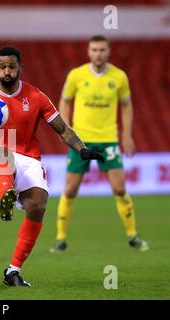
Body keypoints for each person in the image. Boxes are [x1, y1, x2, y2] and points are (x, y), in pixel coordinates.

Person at [0, 46, 104, 287]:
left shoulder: (36, 97)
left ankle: (13, 271)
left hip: (30, 158)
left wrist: (82, 149)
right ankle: (5, 194)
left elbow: (63, 129)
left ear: (20, 68)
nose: (7, 71)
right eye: (3, 67)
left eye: (12, 66)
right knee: (4, 154)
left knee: (38, 205)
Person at [50, 35, 148, 253]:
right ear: (88, 51)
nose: (98, 54)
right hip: (81, 142)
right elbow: (64, 101)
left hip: (108, 139)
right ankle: (60, 237)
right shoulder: (76, 75)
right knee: (70, 189)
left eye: (102, 50)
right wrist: (66, 130)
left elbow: (127, 105)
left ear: (108, 51)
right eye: (94, 49)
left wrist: (127, 135)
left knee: (119, 188)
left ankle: (133, 235)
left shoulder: (119, 77)